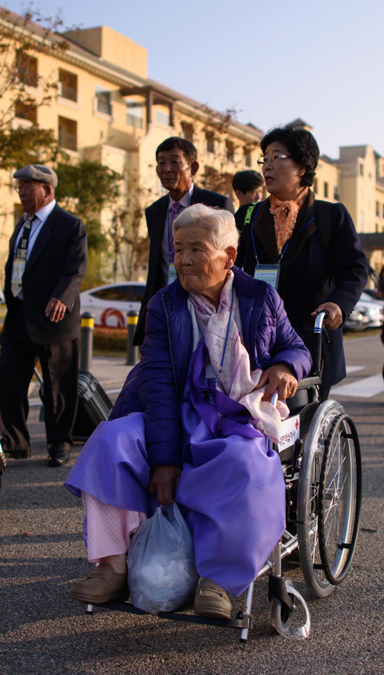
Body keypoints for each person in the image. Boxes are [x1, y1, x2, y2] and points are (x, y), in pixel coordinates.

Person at [64, 204, 310, 617]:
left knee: (245, 463)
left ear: (228, 257)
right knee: (111, 440)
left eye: (197, 249)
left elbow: (296, 346)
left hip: (234, 416)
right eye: (178, 249)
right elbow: (157, 384)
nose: (184, 260)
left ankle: (218, 579)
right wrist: (164, 459)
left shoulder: (260, 297)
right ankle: (114, 564)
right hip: (173, 411)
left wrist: (287, 366)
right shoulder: (165, 304)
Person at [236, 126, 368, 401]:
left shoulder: (330, 215)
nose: (267, 165)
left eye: (276, 156)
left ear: (302, 166)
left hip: (311, 340)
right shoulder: (247, 215)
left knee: (299, 428)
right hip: (254, 341)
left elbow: (355, 269)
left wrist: (338, 303)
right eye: (264, 158)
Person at [0, 164, 88, 467]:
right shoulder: (22, 225)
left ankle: (59, 443)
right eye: (19, 187)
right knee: (9, 379)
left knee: (58, 386)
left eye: (28, 187)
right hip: (19, 317)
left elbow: (75, 269)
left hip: (53, 318)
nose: (22, 192)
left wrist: (61, 297)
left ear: (47, 190)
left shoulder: (69, 225)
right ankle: (14, 443)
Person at [133, 137, 234, 346]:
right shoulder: (155, 211)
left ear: (193, 167)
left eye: (174, 162)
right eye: (161, 163)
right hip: (167, 304)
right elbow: (157, 264)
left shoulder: (217, 204)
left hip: (207, 306)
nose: (166, 169)